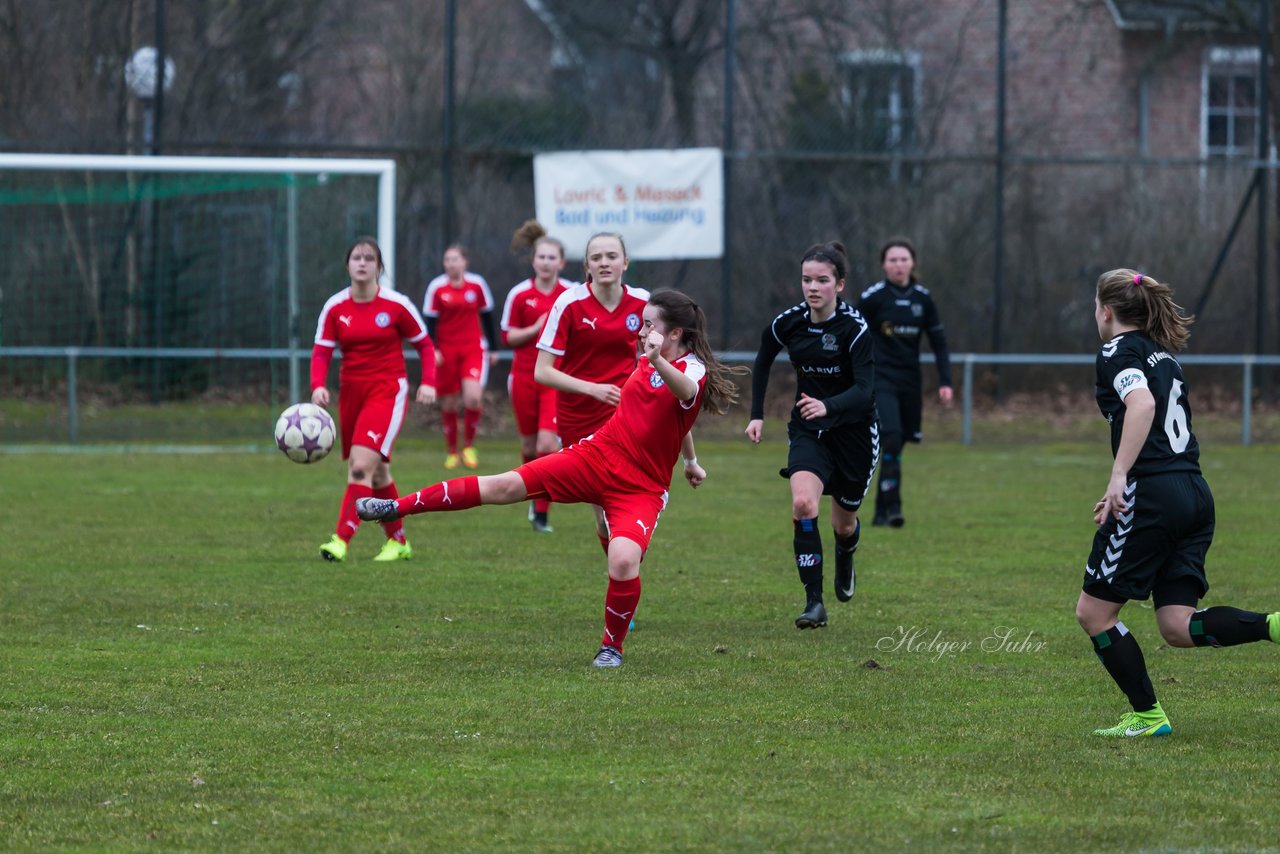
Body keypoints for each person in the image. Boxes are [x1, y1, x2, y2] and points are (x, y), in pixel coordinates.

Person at [355, 290, 745, 668]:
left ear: (674, 333)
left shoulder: (690, 368)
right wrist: (691, 460)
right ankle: (395, 507)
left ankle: (612, 648)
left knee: (624, 560)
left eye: (648, 325)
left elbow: (686, 394)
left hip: (641, 487)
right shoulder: (647, 359)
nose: (641, 332)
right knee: (504, 485)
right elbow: (675, 418)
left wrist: (658, 364)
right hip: (596, 455)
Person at [1077, 268, 1278, 738]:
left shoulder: (1116, 349)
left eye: (1094, 306)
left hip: (1154, 494)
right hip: (1194, 491)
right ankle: (1272, 626)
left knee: (1094, 614)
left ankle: (1148, 716)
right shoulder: (1162, 356)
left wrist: (1119, 475)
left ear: (1106, 310)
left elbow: (1142, 406)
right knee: (1176, 624)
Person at [746, 241, 879, 629]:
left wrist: (830, 406)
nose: (812, 287)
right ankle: (813, 603)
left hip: (854, 434)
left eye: (822, 280)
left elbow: (866, 390)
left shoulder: (855, 329)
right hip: (808, 431)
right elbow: (763, 358)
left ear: (839, 284)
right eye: (806, 280)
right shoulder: (789, 322)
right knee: (803, 505)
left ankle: (847, 549)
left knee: (843, 522)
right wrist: (757, 415)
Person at [310, 236, 437, 563]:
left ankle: (341, 540)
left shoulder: (397, 305)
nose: (363, 263)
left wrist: (429, 383)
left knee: (361, 466)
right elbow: (322, 351)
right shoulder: (335, 306)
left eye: (369, 258)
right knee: (378, 474)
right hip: (352, 392)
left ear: (379, 267)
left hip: (387, 391)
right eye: (357, 257)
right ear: (348, 265)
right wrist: (317, 386)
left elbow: (424, 345)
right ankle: (398, 542)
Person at [534, 231, 650, 552]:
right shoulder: (569, 303)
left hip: (626, 414)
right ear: (587, 265)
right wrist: (593, 389)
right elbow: (541, 371)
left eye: (611, 256)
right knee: (602, 511)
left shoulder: (643, 302)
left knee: (622, 502)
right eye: (596, 258)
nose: (604, 263)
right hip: (579, 418)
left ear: (625, 262)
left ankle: (624, 567)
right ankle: (619, 559)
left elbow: (656, 356)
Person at [853, 238, 952, 528]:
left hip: (910, 381)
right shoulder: (873, 297)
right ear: (884, 264)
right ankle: (894, 507)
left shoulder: (923, 298)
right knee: (892, 435)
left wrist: (946, 381)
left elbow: (938, 341)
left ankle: (882, 511)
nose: (898, 265)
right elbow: (852, 334)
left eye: (903, 259)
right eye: (893, 260)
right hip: (880, 378)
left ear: (913, 263)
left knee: (898, 444)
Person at [501, 220, 571, 533]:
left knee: (548, 444)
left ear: (561, 262)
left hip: (555, 378)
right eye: (540, 257)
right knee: (530, 448)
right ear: (533, 261)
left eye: (551, 257)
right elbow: (507, 338)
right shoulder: (519, 295)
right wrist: (534, 328)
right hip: (524, 377)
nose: (545, 262)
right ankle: (533, 495)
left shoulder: (570, 294)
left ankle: (542, 513)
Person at [423, 244, 498, 470]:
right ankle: (452, 451)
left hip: (473, 348)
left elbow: (487, 316)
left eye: (455, 259)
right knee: (449, 401)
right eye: (447, 260)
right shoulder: (436, 287)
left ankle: (468, 447)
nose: (451, 264)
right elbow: (430, 322)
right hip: (445, 351)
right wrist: (432, 349)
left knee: (473, 397)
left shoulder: (477, 284)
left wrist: (493, 348)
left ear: (465, 261)